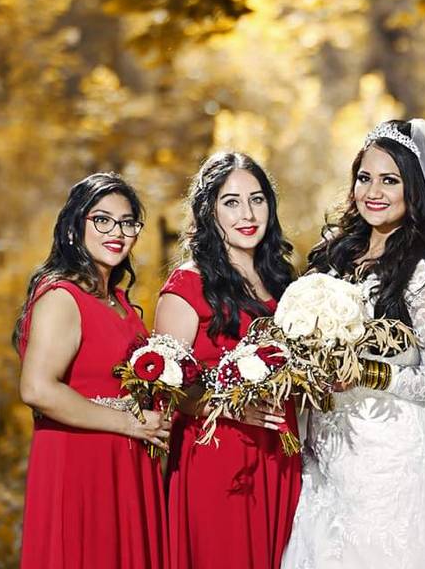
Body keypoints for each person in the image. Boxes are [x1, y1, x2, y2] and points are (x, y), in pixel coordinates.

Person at [283, 119, 425, 569]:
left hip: (388, 447)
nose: (373, 190)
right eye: (364, 177)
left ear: (414, 189)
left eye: (390, 180)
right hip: (325, 444)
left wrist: (368, 371)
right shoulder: (336, 255)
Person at [15, 172, 168, 569]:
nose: (117, 231)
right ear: (74, 226)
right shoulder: (62, 297)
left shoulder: (116, 299)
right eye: (102, 219)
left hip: (126, 464)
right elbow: (37, 389)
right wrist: (130, 424)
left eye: (127, 222)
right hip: (81, 463)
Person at [154, 152, 300, 569]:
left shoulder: (284, 282)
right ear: (209, 211)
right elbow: (166, 386)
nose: (247, 213)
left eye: (257, 199)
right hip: (218, 456)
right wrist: (231, 406)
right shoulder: (187, 285)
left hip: (281, 452)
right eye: (231, 202)